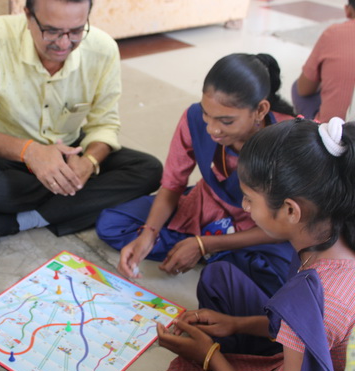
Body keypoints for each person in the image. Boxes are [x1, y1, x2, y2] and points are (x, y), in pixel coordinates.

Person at [125, 117, 355, 371]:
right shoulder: (331, 235)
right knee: (219, 275)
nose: (245, 208)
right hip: (293, 357)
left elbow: (300, 326)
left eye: (250, 198)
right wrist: (235, 323)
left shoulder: (313, 300)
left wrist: (209, 357)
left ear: (291, 210)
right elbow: (295, 329)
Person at [0, 0, 162, 248]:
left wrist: (88, 163)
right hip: (9, 152)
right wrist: (31, 152)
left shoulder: (103, 50)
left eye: (75, 31)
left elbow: (105, 124)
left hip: (70, 151)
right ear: (28, 16)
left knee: (149, 170)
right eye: (51, 30)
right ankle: (74, 202)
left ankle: (23, 219)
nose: (63, 43)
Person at [96, 53, 297, 297]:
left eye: (226, 121)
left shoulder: (291, 139)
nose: (212, 128)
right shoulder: (192, 118)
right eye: (206, 114)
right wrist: (148, 235)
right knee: (113, 223)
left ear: (260, 109)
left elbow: (286, 227)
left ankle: (212, 252)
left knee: (276, 279)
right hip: (204, 208)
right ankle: (215, 255)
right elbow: (172, 184)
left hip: (260, 228)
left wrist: (203, 244)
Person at [291, 0, 355, 122]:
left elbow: (303, 89)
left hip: (331, 133)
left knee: (298, 87)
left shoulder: (333, 33)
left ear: (348, 11)